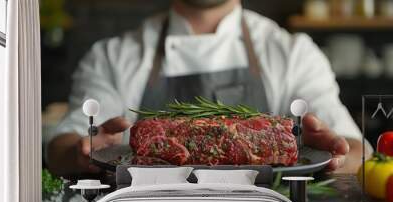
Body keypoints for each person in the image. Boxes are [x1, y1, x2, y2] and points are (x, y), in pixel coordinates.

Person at [47, 0, 369, 177]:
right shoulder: (113, 57)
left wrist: (327, 153)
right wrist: (82, 152)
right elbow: (60, 148)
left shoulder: (292, 54)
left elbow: (359, 154)